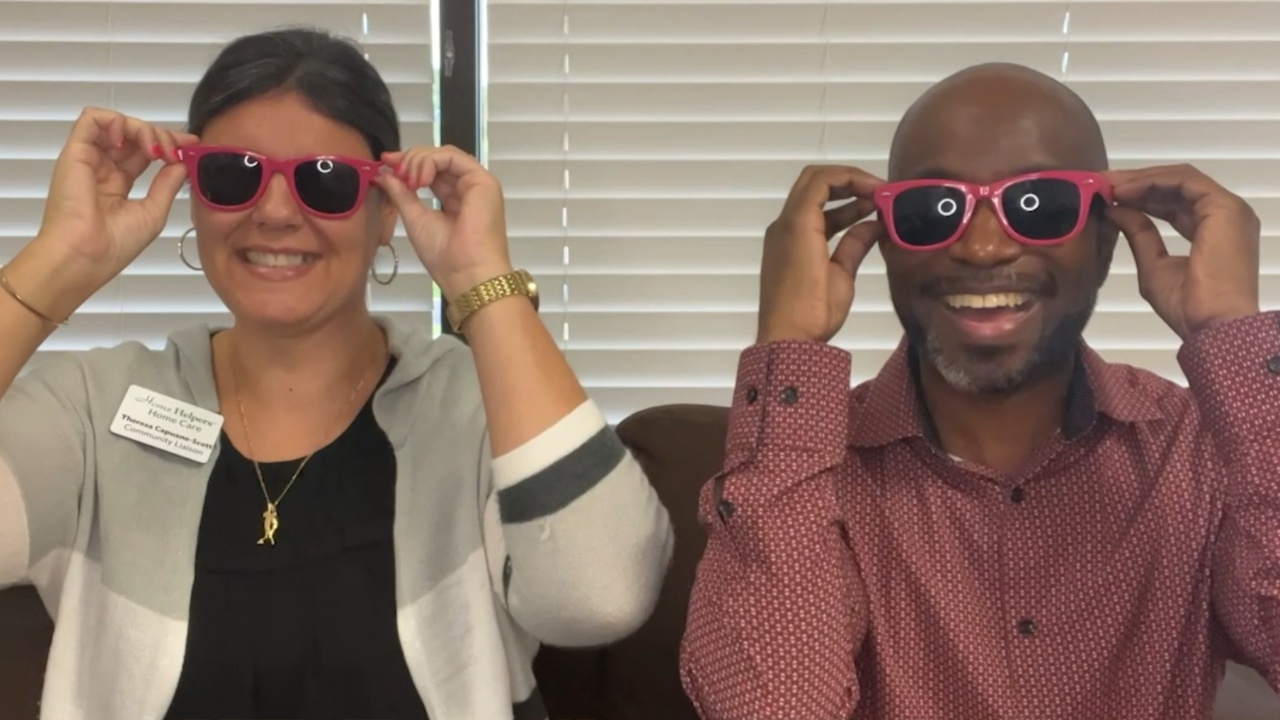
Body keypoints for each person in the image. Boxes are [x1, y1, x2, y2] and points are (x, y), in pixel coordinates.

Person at [0, 27, 673, 720]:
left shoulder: (483, 412)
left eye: (326, 181)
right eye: (233, 174)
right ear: (192, 195)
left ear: (387, 212)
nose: (276, 212)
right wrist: (61, 261)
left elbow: (602, 595)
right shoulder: (93, 412)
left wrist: (480, 277)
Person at [679, 62, 1279, 719]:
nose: (984, 247)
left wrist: (1232, 336)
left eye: (1040, 205)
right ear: (884, 245)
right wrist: (787, 349)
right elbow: (770, 709)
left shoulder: (1204, 452)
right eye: (933, 211)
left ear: (1107, 243)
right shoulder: (802, 477)